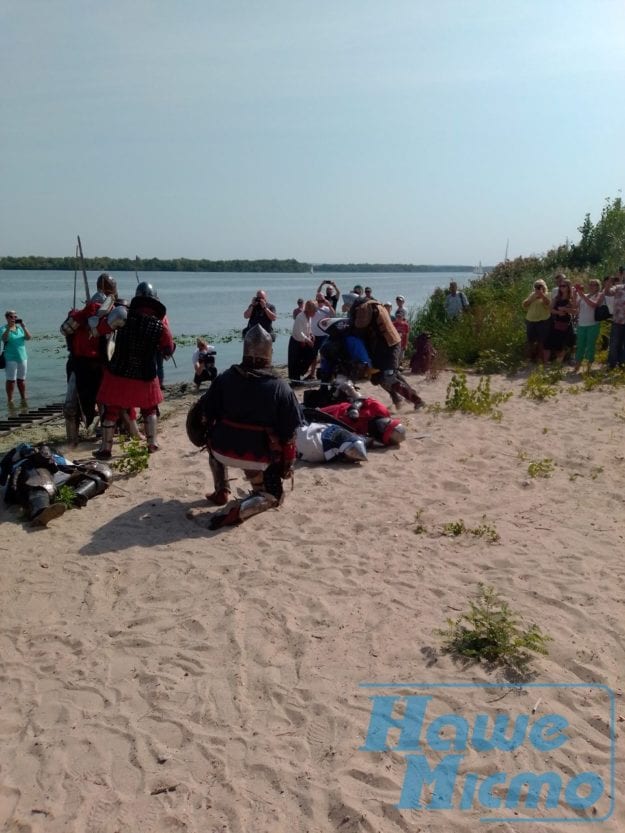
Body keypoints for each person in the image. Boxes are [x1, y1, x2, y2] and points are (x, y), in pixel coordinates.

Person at [190, 324, 303, 530]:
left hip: (221, 450)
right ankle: (243, 507)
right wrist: (287, 466)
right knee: (274, 497)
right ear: (268, 352)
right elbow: (290, 432)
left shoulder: (224, 378)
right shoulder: (280, 387)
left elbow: (206, 414)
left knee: (214, 432)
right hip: (259, 456)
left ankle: (221, 490)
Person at [92, 282, 175, 458]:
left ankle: (106, 449)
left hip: (119, 371)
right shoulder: (160, 326)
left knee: (111, 410)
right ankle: (152, 444)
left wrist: (100, 315)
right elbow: (168, 352)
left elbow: (98, 329)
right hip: (146, 373)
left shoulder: (122, 314)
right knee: (150, 409)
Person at [60, 273, 117, 445]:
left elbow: (114, 342)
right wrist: (84, 315)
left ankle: (107, 437)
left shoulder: (112, 315)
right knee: (70, 406)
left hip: (100, 365)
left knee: (106, 403)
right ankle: (72, 440)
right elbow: (64, 330)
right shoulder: (78, 315)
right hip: (78, 364)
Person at [349, 296, 424, 409]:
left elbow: (359, 327)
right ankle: (398, 398)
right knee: (378, 375)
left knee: (389, 377)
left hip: (389, 344)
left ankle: (416, 400)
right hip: (381, 346)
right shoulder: (374, 305)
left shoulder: (366, 308)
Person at [1, 310, 32, 407]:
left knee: (21, 380)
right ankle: (10, 399)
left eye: (15, 317)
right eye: (11, 317)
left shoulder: (19, 328)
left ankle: (23, 398)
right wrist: (8, 329)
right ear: (7, 318)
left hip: (22, 357)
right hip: (10, 358)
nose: (14, 319)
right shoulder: (3, 328)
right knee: (11, 380)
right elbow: (4, 339)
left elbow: (28, 338)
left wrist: (23, 326)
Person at [573, 278, 604, 373]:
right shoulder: (584, 295)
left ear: (598, 286)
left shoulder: (600, 295)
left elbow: (593, 305)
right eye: (590, 284)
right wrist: (574, 295)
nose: (591, 286)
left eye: (594, 284)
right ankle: (577, 365)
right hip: (581, 324)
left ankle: (589, 366)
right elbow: (575, 306)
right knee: (580, 345)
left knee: (590, 345)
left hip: (593, 324)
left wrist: (582, 295)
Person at [545, 279, 577, 363]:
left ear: (568, 287)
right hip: (556, 323)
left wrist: (565, 309)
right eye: (560, 286)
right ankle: (556, 363)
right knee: (556, 343)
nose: (561, 288)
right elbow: (550, 309)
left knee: (565, 343)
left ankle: (559, 363)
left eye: (563, 286)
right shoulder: (557, 298)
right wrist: (558, 312)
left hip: (566, 323)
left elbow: (575, 311)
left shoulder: (572, 298)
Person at [522, 280, 551, 363]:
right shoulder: (532, 295)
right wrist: (532, 298)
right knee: (530, 340)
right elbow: (524, 305)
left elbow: (548, 304)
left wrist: (542, 295)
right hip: (530, 320)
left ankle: (540, 359)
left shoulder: (548, 294)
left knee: (541, 341)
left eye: (540, 286)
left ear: (543, 287)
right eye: (536, 286)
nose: (538, 288)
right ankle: (528, 358)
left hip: (543, 321)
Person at [288, 300, 317, 383]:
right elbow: (299, 332)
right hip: (296, 342)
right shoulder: (300, 317)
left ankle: (301, 374)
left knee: (312, 355)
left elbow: (308, 328)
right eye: (314, 310)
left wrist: (311, 334)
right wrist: (308, 340)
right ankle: (295, 381)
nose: (315, 312)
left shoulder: (309, 317)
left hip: (304, 341)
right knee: (295, 362)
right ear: (310, 310)